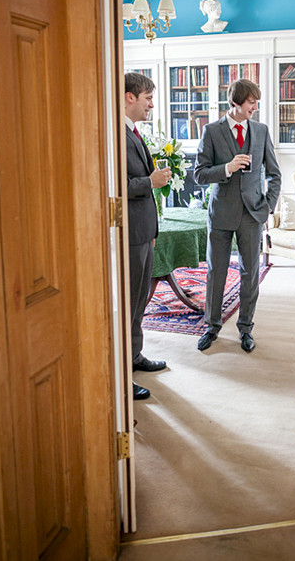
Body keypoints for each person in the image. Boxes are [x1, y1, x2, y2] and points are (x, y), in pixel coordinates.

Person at [194, 79, 281, 352]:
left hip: (253, 213)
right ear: (235, 104)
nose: (255, 108)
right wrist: (227, 168)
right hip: (221, 213)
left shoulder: (261, 130)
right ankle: (212, 326)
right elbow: (199, 174)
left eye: (256, 103)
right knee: (216, 272)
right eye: (251, 103)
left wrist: (268, 206)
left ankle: (246, 328)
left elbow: (274, 174)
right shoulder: (211, 131)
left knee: (250, 273)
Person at [125, 72, 172, 400]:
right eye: (147, 98)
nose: (152, 104)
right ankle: (122, 374)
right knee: (127, 305)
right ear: (129, 97)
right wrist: (150, 182)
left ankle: (135, 356)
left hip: (143, 233)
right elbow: (113, 187)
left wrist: (152, 231)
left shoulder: (135, 133)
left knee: (140, 301)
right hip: (126, 235)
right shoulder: (115, 134)